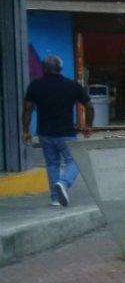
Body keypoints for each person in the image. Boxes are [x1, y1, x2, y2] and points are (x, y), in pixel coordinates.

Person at [22, 55, 94, 207]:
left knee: (52, 164)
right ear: (60, 68)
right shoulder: (72, 85)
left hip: (45, 133)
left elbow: (27, 109)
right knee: (75, 161)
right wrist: (88, 125)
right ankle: (64, 183)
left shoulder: (35, 85)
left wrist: (26, 131)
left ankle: (55, 199)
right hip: (66, 133)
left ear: (43, 69)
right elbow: (89, 106)